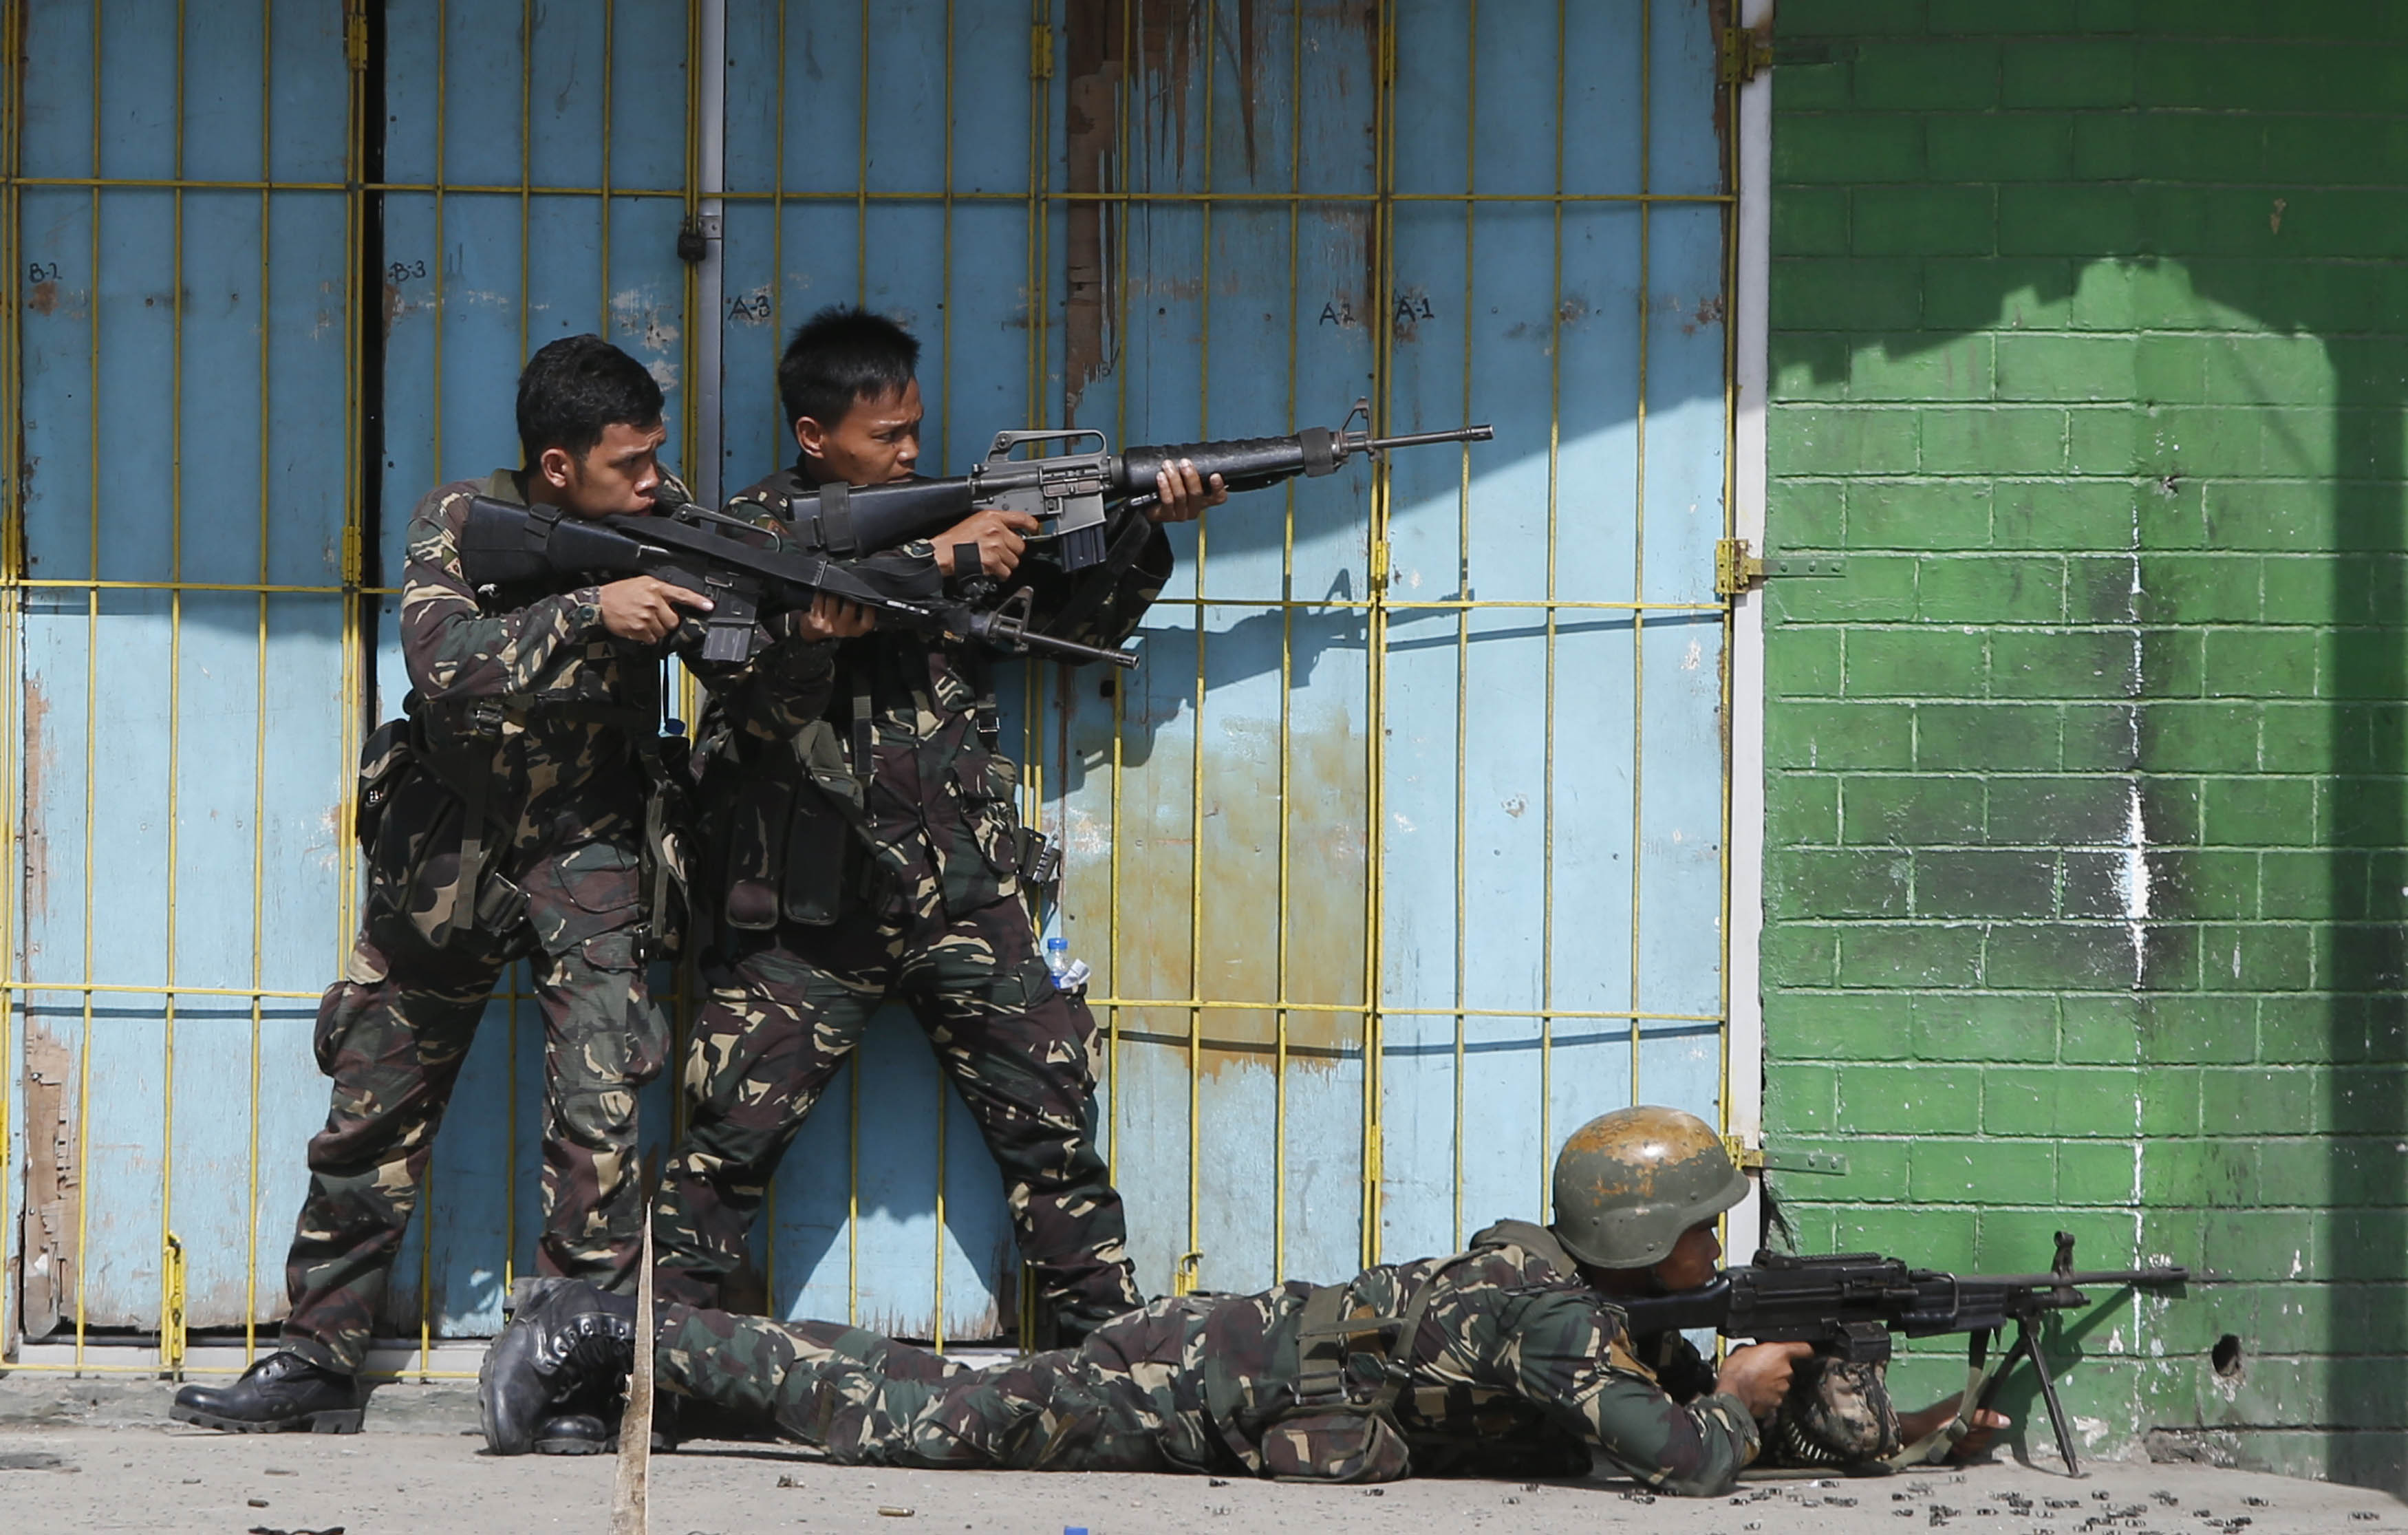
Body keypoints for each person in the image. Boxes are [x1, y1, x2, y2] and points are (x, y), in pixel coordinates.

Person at [647, 305, 1225, 1342]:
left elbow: (1068, 629)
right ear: (815, 437)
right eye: (887, 438)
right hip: (806, 901)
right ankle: (659, 1356)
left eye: (915, 429)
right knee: (729, 1138)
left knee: (1053, 1124)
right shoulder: (745, 537)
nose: (912, 451)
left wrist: (1144, 529)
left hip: (962, 886)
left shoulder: (941, 508)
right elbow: (757, 686)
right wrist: (944, 563)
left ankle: (1120, 1363)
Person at [173, 336, 711, 1442]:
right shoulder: (461, 518)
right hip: (447, 849)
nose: (653, 481)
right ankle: (317, 1359)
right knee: (374, 1100)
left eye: (657, 456)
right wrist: (590, 612)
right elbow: (441, 657)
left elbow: (737, 659)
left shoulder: (671, 519)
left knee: (597, 1123)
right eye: (630, 463)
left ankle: (573, 1377)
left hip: (591, 845)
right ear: (558, 469)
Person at [484, 1106, 2006, 1494]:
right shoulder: (1552, 1322)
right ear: (1652, 1238)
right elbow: (1672, 1461)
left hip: (1251, 1359)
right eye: (1704, 1235)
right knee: (920, 1413)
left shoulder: (1563, 1291)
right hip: (1208, 1381)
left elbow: (1629, 1413)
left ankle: (656, 1383)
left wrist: (1915, 1424)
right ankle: (610, 1328)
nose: (1715, 1254)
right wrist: (1736, 1408)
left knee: (930, 1403)